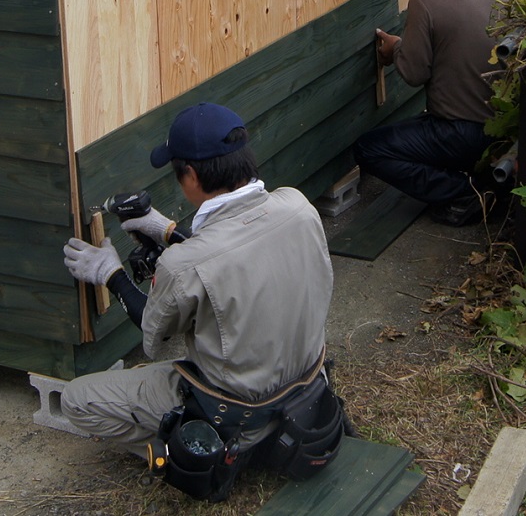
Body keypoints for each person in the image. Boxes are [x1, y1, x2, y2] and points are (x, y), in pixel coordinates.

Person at [58, 103, 337, 475]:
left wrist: (110, 273)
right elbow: (239, 247)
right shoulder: (298, 206)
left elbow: (152, 332)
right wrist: (170, 231)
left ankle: (197, 457)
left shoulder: (183, 265)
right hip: (306, 392)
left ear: (190, 174)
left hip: (237, 412)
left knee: (77, 399)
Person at [350, 0, 502, 226]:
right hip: (501, 133)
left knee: (369, 148)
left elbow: (414, 73)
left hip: (460, 134)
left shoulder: (426, 0)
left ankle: (466, 193)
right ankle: (484, 179)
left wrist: (396, 50)